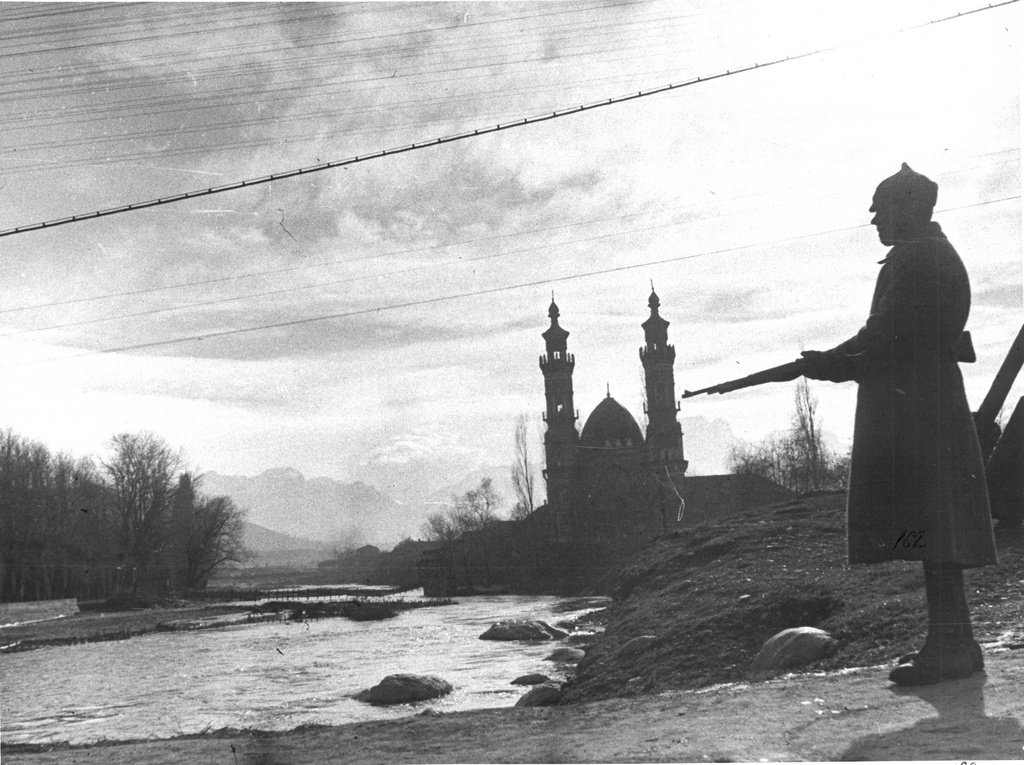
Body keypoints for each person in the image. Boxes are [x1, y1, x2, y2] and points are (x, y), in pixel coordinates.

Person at [800, 163, 998, 686]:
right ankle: (955, 641)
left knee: (933, 530)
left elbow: (887, 337)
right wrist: (828, 360)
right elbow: (884, 333)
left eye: (881, 210)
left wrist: (829, 364)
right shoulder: (923, 255)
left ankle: (951, 646)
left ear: (910, 209)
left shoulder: (919, 258)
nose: (874, 222)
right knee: (936, 532)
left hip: (919, 413)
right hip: (925, 406)